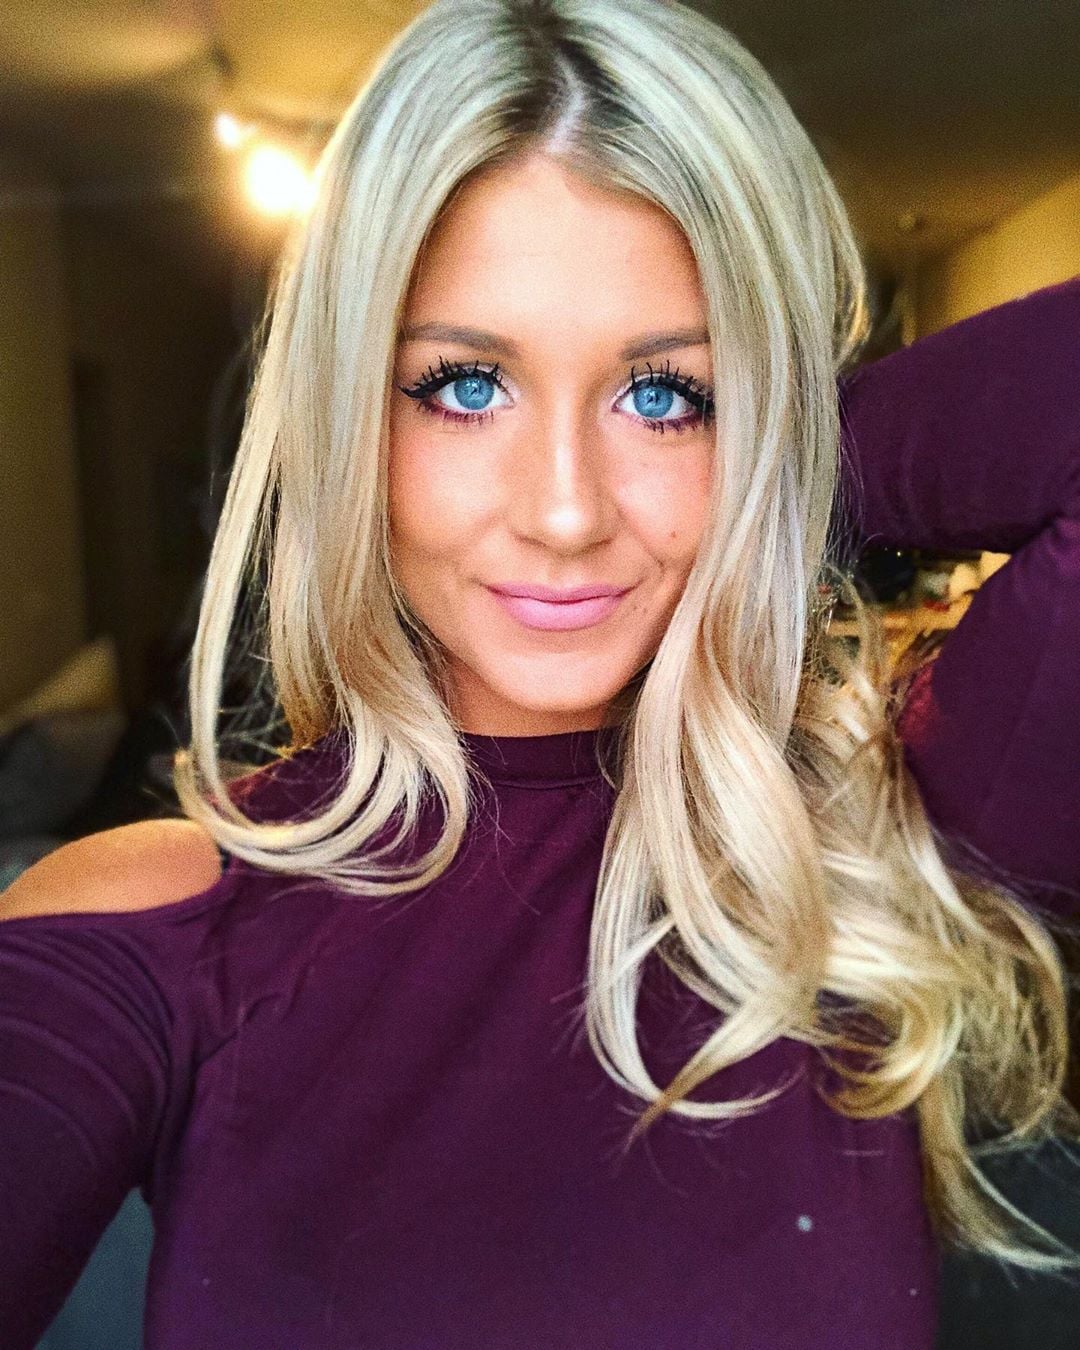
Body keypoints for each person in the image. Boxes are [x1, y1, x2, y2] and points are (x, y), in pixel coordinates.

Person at [2, 0, 1079, 1345]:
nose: (565, 511)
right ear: (347, 415)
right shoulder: (161, 926)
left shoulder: (881, 848)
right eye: (464, 385)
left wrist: (782, 454)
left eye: (664, 394)